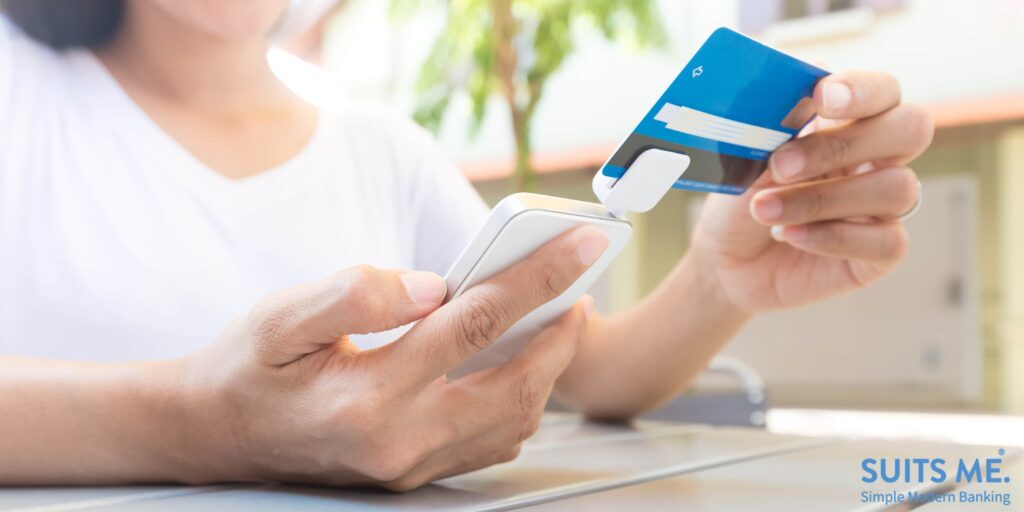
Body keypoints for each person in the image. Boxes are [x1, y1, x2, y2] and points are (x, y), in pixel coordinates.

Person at [0, 0, 932, 491]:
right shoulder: (20, 90)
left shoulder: (381, 145)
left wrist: (720, 279)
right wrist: (198, 426)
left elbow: (590, 371)